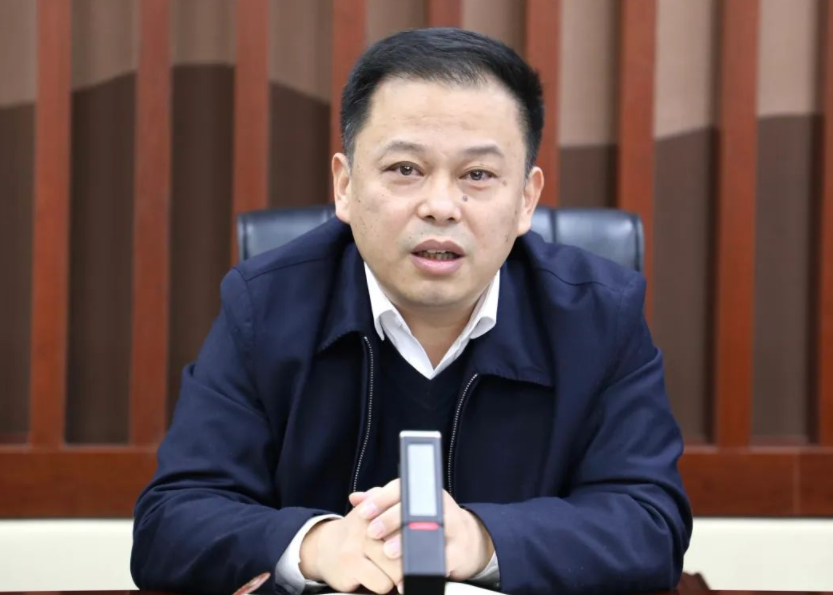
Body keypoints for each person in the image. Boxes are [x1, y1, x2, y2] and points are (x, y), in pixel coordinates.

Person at [131, 27, 692, 595]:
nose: (441, 207)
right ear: (345, 185)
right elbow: (170, 523)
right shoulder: (265, 306)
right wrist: (317, 545)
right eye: (405, 169)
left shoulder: (600, 315)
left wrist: (482, 540)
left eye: (477, 175)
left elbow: (650, 523)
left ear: (526, 198)